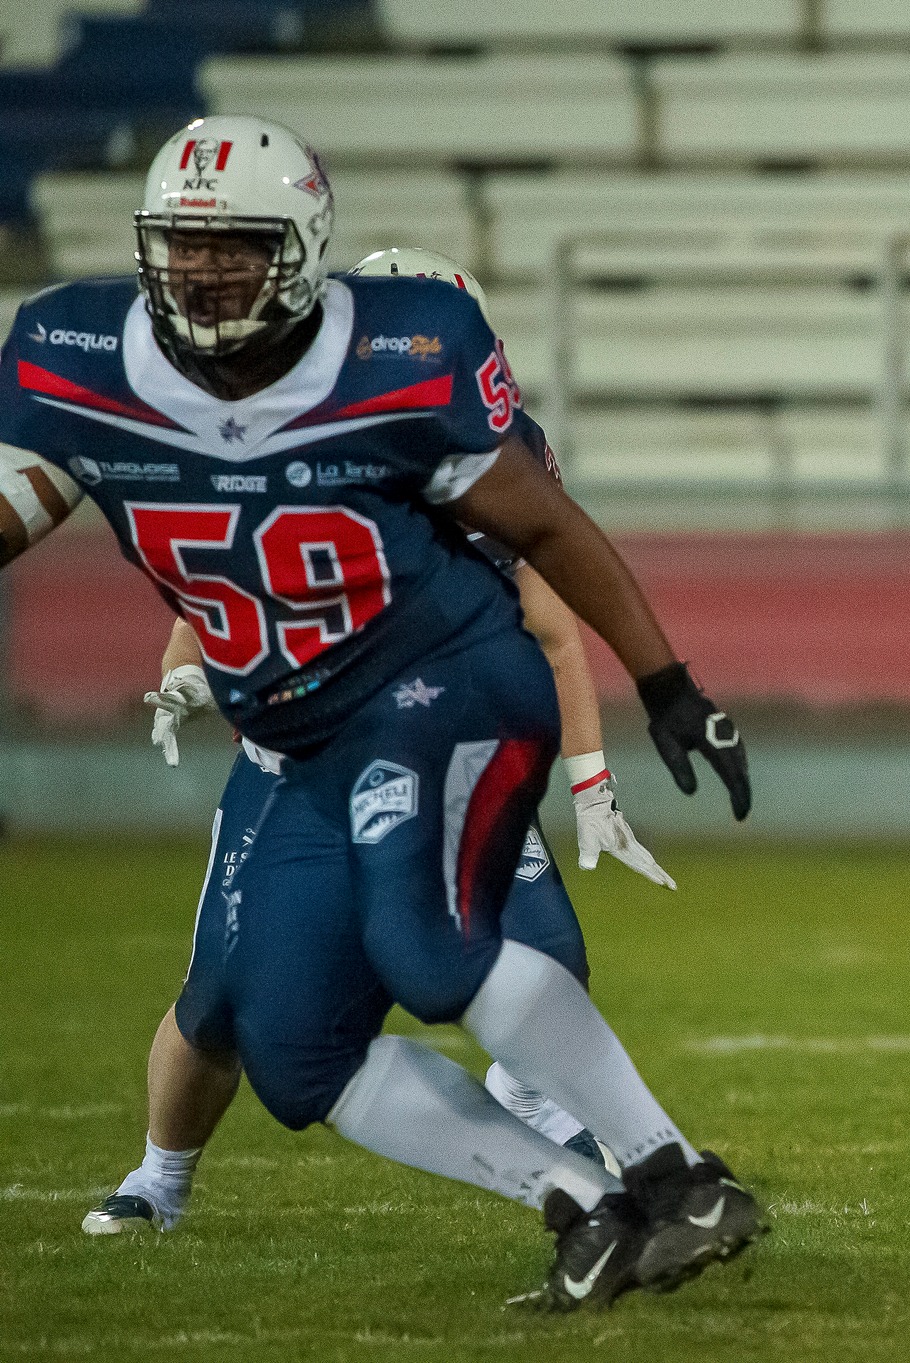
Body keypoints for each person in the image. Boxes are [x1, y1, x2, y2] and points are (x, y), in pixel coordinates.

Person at [0, 116, 760, 1310]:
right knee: (292, 1050)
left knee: (425, 939)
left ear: (301, 247)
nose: (202, 271)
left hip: (448, 679)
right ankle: (586, 1209)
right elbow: (23, 501)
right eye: (182, 246)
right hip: (298, 739)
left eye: (236, 244)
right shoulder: (78, 354)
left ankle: (682, 1175)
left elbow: (549, 531)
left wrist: (666, 687)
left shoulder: (397, 349)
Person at [81, 248, 671, 1237]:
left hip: (451, 746)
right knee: (223, 997)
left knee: (538, 955)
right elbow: (219, 571)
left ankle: (577, 1137)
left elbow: (555, 625)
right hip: (305, 762)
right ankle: (158, 1178)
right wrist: (184, 661)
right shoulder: (281, 435)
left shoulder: (492, 449)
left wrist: (593, 784)